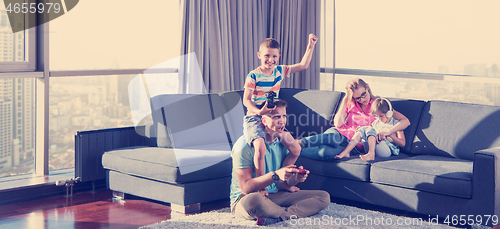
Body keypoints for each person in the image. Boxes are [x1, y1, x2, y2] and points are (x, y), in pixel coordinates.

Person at [230, 99, 330, 226]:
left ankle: (279, 217)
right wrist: (275, 174)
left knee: (323, 197)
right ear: (264, 120)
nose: (282, 121)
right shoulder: (244, 145)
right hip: (244, 199)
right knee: (255, 200)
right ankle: (287, 214)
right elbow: (245, 188)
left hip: (274, 195)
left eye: (284, 116)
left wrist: (296, 179)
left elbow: (282, 184)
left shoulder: (283, 143)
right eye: (277, 117)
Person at [243, 34, 318, 195]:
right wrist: (259, 111)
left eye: (274, 56)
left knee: (295, 148)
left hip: (273, 117)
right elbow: (246, 100)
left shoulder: (280, 70)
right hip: (255, 116)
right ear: (259, 56)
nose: (270, 60)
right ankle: (261, 185)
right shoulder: (253, 75)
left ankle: (281, 183)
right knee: (260, 147)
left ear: (279, 56)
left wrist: (310, 46)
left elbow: (303, 65)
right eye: (267, 56)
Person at [299, 78, 411, 161]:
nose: (363, 99)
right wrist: (346, 99)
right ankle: (298, 142)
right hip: (339, 134)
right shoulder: (351, 103)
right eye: (358, 97)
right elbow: (338, 124)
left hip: (354, 145)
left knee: (326, 153)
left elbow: (405, 121)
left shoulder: (378, 105)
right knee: (333, 139)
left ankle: (292, 150)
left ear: (367, 87)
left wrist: (389, 132)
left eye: (364, 94)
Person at [335, 97, 406, 161]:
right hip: (373, 147)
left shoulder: (396, 124)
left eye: (381, 116)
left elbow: (402, 144)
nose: (379, 119)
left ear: (389, 113)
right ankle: (346, 152)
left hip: (387, 150)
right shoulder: (376, 123)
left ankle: (371, 154)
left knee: (368, 129)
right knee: (363, 129)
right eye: (376, 116)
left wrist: (390, 135)